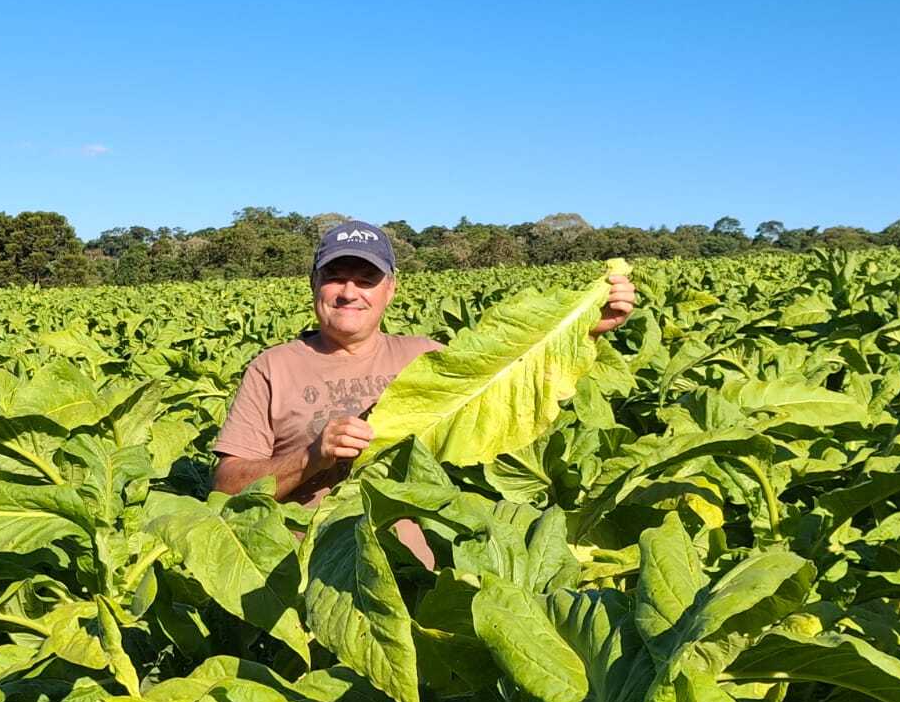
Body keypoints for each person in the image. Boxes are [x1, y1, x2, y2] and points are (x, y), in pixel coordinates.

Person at [211, 219, 637, 564]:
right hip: (302, 564)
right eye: (335, 277)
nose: (349, 292)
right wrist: (313, 457)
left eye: (366, 279)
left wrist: (584, 328)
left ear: (390, 289)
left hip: (417, 567)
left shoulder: (426, 358)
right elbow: (226, 488)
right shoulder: (273, 367)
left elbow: (512, 382)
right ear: (314, 285)